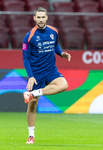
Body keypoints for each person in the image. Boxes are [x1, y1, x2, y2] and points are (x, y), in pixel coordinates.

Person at [22, 7, 71, 144]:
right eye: (38, 17)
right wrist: (30, 76)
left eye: (43, 17)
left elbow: (55, 45)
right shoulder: (29, 36)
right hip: (36, 73)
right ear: (34, 18)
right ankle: (31, 135)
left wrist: (61, 53)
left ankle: (34, 93)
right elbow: (25, 58)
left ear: (47, 17)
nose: (41, 20)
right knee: (32, 104)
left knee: (64, 85)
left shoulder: (54, 31)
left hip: (51, 70)